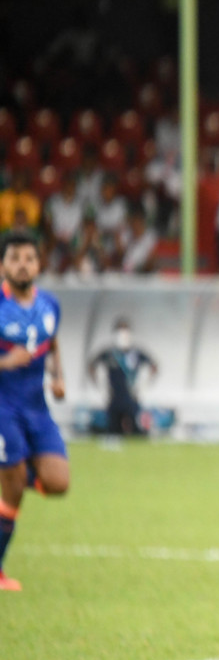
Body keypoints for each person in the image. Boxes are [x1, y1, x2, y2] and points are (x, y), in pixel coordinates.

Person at [0, 229, 71, 592]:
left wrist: (58, 377)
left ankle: (14, 469)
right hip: (3, 406)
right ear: (2, 265)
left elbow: (53, 342)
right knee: (11, 488)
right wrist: (5, 362)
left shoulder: (50, 305)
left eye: (29, 258)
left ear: (39, 264)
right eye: (15, 258)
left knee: (59, 482)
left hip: (37, 409)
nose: (23, 265)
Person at [88, 318, 158, 435]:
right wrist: (98, 386)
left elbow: (154, 366)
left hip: (131, 396)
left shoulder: (136, 352)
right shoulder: (109, 353)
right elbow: (92, 365)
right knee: (113, 430)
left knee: (136, 431)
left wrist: (145, 385)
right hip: (114, 397)